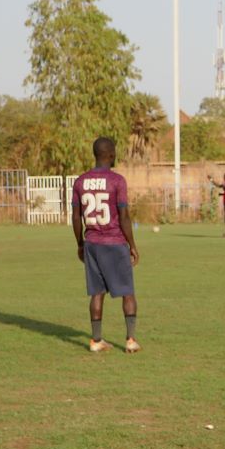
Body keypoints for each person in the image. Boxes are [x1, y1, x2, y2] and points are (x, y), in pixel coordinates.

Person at [71, 137, 140, 353]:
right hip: (114, 242)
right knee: (127, 291)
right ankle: (130, 340)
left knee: (97, 293)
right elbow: (124, 216)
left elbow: (75, 217)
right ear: (110, 154)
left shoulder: (80, 181)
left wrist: (80, 243)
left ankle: (96, 340)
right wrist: (132, 245)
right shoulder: (117, 180)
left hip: (92, 242)